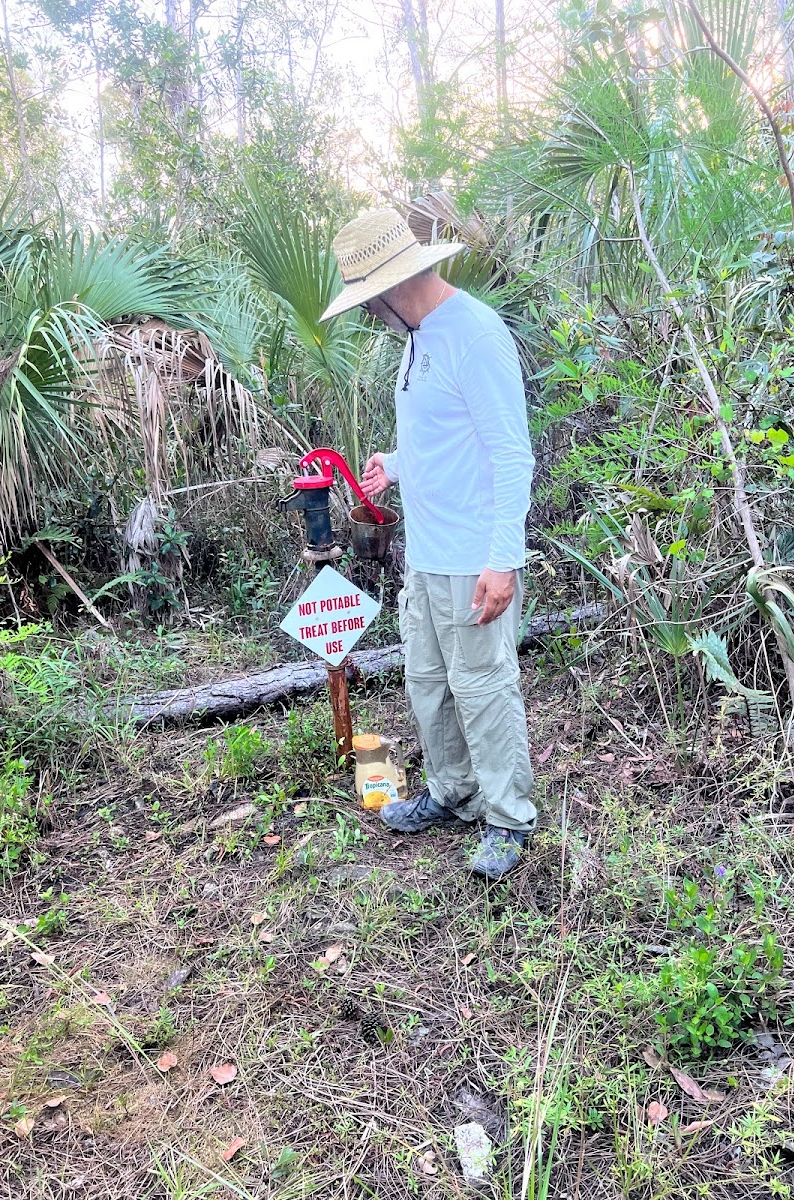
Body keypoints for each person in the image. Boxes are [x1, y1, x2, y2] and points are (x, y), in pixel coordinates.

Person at [320, 208, 536, 879]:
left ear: (390, 288)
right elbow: (446, 437)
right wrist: (397, 464)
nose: (369, 313)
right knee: (430, 686)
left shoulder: (473, 332)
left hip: (474, 559)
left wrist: (502, 560)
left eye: (368, 301)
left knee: (484, 688)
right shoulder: (417, 338)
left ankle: (507, 817)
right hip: (427, 557)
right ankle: (454, 793)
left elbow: (510, 454)